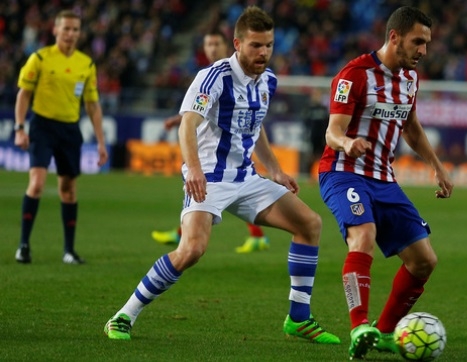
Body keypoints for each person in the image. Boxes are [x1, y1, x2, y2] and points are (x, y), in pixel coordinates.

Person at [104, 6, 340, 344]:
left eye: (269, 45)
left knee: (309, 225)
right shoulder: (213, 77)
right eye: (256, 46)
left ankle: (298, 318)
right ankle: (123, 316)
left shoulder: (267, 81)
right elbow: (188, 124)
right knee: (191, 251)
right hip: (210, 178)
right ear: (238, 43)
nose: (264, 53)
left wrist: (273, 169)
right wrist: (195, 170)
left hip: (246, 179)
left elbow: (254, 129)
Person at [318, 6, 454, 359]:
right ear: (394, 37)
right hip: (342, 172)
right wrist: (348, 142)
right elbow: (332, 131)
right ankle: (359, 325)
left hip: (384, 179)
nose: (424, 50)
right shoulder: (354, 75)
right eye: (418, 42)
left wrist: (437, 166)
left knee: (424, 260)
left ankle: (382, 332)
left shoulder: (410, 78)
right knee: (363, 236)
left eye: (426, 43)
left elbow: (410, 126)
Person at [151, 30, 269, 253]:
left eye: (216, 43)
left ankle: (185, 236)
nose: (212, 48)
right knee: (210, 187)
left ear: (229, 46)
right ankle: (184, 233)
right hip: (219, 147)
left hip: (231, 147)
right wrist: (180, 119)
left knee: (222, 185)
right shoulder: (210, 75)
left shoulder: (237, 74)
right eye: (208, 44)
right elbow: (208, 110)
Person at [13, 10, 109, 265]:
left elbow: (92, 105)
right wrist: (20, 128)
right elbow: (23, 94)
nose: (70, 34)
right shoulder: (40, 58)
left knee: (68, 190)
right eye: (66, 28)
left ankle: (69, 250)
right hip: (42, 126)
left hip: (70, 130)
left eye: (75, 29)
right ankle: (23, 245)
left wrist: (100, 142)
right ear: (55, 30)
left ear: (80, 33)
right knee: (37, 183)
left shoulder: (85, 64)